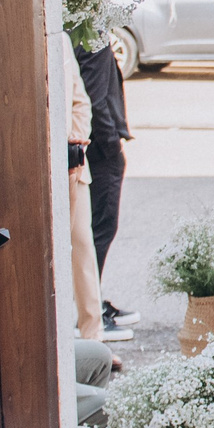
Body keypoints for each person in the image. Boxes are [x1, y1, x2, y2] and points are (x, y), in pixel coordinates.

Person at [74, 37, 135, 342]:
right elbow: (95, 98)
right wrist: (111, 143)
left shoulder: (81, 30)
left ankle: (91, 304)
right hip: (99, 149)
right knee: (99, 228)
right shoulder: (91, 37)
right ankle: (88, 310)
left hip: (93, 146)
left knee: (92, 230)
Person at [57, 32, 106, 347]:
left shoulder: (60, 39)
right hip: (36, 166)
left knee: (82, 248)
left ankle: (94, 337)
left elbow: (80, 99)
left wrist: (74, 141)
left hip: (73, 166)